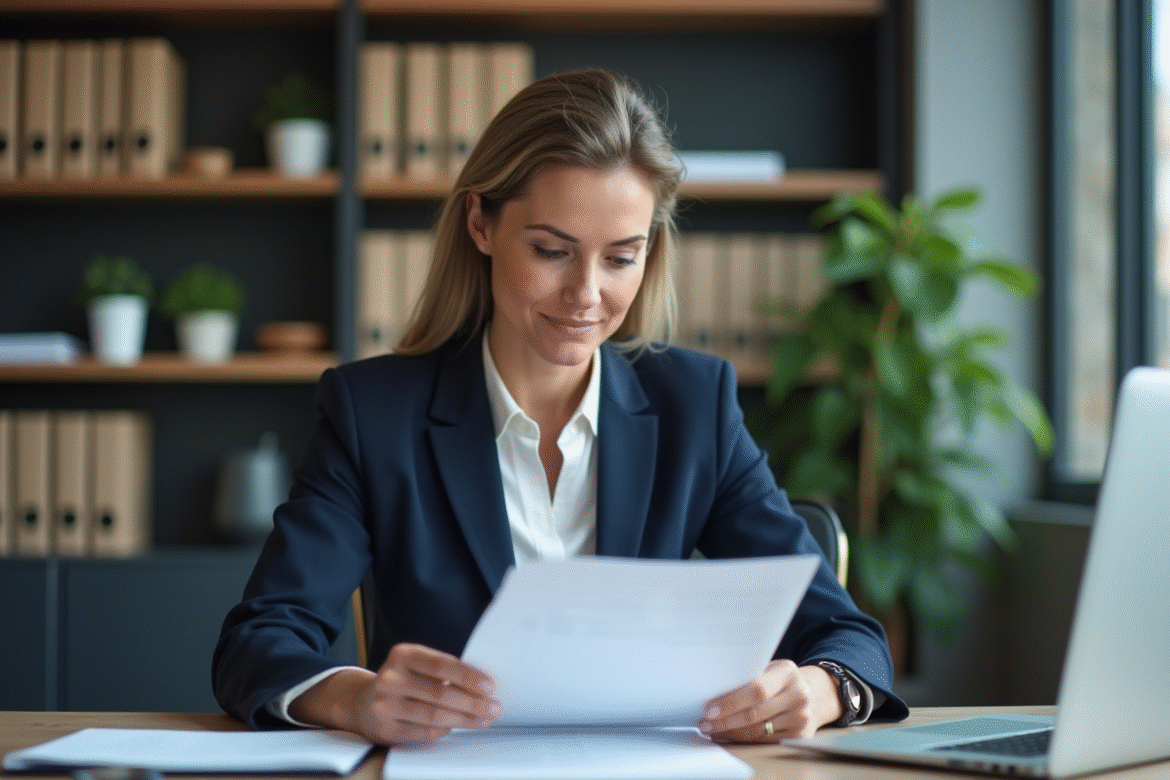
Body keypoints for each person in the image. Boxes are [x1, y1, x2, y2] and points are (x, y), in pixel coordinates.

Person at [212, 67, 909, 746]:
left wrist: (819, 690)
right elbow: (259, 641)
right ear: (480, 223)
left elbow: (849, 638)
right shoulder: (373, 414)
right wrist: (355, 697)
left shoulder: (696, 407)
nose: (586, 295)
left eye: (620, 258)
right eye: (552, 250)